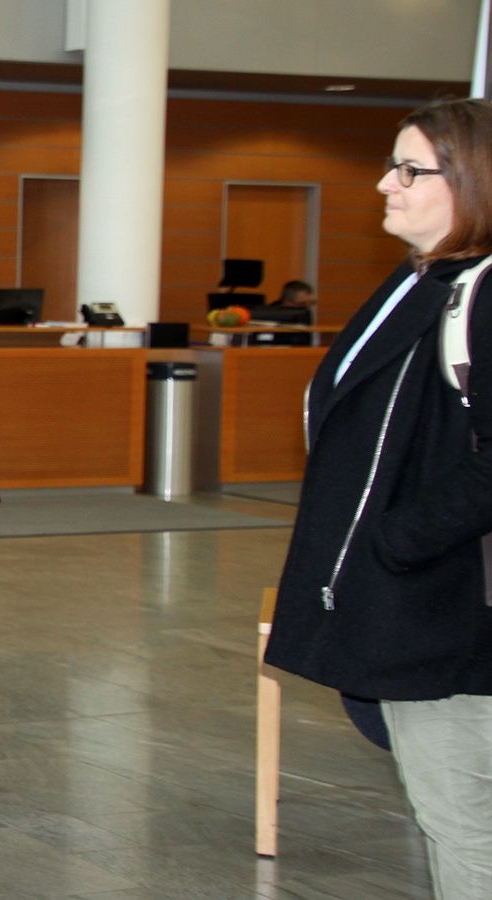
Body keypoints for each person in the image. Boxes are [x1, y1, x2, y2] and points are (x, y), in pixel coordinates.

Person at [267, 97, 492, 900]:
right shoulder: (423, 282)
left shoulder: (479, 294)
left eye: (409, 169)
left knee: (462, 822)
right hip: (417, 600)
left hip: (449, 612)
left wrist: (396, 543)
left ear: (473, 181)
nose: (383, 184)